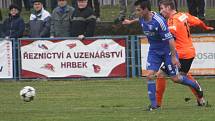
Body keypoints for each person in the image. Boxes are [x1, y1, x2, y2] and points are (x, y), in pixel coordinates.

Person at [123, 0, 204, 111]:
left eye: (138, 10)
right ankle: (154, 105)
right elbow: (140, 20)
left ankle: (195, 86)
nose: (137, 12)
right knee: (150, 75)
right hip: (154, 51)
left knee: (176, 78)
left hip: (166, 51)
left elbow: (170, 39)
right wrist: (130, 22)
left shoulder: (159, 21)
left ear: (146, 9)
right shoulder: (142, 17)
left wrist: (174, 56)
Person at [156, 0, 214, 107]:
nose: (161, 11)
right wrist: (205, 27)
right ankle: (201, 100)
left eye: (162, 8)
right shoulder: (184, 15)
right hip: (189, 52)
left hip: (180, 54)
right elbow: (197, 21)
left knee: (167, 75)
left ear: (169, 8)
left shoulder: (172, 20)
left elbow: (171, 35)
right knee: (181, 76)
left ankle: (157, 104)